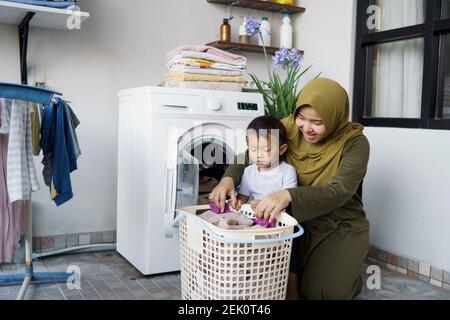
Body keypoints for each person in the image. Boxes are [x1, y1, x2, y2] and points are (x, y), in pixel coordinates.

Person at [210, 78, 370, 299]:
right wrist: (228, 178)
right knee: (271, 279)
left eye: (317, 122)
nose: (306, 128)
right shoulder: (289, 126)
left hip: (337, 222)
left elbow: (340, 191)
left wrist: (288, 194)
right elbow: (254, 153)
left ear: (335, 116)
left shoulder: (355, 143)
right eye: (301, 118)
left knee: (328, 293)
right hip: (291, 217)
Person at [233, 115, 298, 221]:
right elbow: (243, 196)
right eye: (253, 150)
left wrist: (264, 205)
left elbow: (288, 201)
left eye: (266, 150)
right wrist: (239, 202)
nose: (258, 155)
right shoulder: (249, 171)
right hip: (252, 218)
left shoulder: (287, 172)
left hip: (276, 221)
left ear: (281, 149)